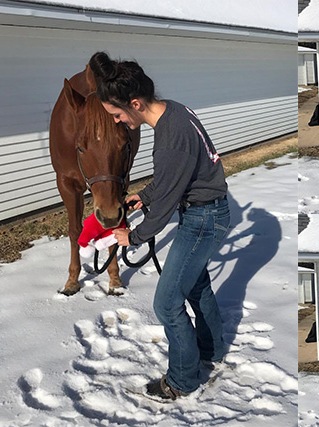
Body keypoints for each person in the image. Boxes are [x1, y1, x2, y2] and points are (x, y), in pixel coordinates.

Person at [89, 51, 230, 400]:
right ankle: (211, 351)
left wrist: (133, 235)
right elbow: (174, 179)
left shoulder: (170, 138)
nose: (119, 121)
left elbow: (168, 199)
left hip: (202, 220)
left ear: (135, 102)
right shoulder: (174, 110)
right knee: (196, 286)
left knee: (166, 304)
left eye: (118, 114)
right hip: (207, 212)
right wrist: (145, 196)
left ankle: (181, 381)